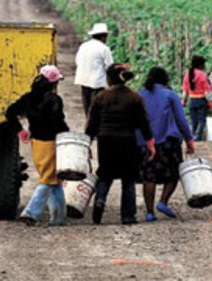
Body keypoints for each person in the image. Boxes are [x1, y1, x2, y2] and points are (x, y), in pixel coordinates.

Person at [85, 64, 155, 225]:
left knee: (105, 174)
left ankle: (100, 200)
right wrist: (150, 143)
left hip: (105, 141)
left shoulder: (100, 97)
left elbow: (92, 123)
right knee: (128, 177)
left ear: (109, 79)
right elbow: (143, 123)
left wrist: (87, 143)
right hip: (127, 141)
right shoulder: (135, 97)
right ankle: (128, 215)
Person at [6, 65, 69, 226]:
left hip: (36, 143)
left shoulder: (28, 98)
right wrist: (69, 137)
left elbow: (10, 112)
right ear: (53, 83)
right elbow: (59, 123)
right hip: (51, 143)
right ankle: (31, 212)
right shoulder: (54, 100)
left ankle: (59, 217)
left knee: (54, 179)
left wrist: (20, 130)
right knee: (48, 179)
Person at [138, 67, 195, 222]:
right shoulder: (170, 95)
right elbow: (181, 120)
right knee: (174, 172)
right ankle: (163, 202)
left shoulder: (140, 95)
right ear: (165, 79)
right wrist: (189, 140)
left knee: (149, 176)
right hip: (168, 141)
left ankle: (149, 212)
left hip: (145, 141)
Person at [75, 23, 114, 115]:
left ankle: (88, 126)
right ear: (103, 37)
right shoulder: (104, 48)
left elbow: (77, 60)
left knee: (87, 107)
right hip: (97, 82)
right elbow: (110, 67)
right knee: (97, 109)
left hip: (83, 79)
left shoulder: (84, 46)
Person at [181, 55, 212, 141]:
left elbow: (185, 91)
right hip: (202, 100)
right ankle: (197, 137)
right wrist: (210, 104)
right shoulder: (202, 75)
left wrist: (183, 102)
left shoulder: (188, 75)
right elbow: (207, 92)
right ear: (200, 65)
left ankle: (193, 136)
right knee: (202, 120)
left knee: (194, 120)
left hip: (192, 100)